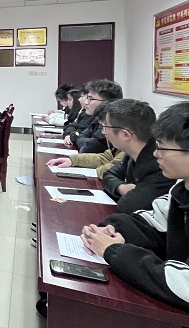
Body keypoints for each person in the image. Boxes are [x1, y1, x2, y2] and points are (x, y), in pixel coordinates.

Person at [80, 103, 189, 311]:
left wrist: (113, 250)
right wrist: (110, 229)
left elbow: (184, 285)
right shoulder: (180, 187)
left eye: (162, 147)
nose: (155, 154)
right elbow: (152, 220)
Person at [97, 99, 174, 212]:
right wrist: (121, 188)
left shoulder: (160, 164)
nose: (104, 132)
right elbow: (108, 174)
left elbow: (128, 205)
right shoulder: (132, 153)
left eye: (106, 127)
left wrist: (126, 192)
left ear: (125, 135)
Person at [69, 79, 123, 153]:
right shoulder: (97, 118)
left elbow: (89, 147)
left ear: (107, 102)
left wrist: (76, 138)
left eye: (90, 99)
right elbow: (82, 136)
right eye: (87, 98)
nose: (85, 102)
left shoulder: (111, 123)